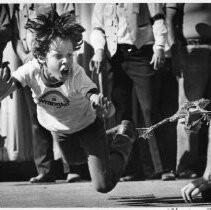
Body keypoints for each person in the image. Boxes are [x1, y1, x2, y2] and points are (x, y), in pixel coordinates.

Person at [0, 10, 135, 193]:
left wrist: (100, 104)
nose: (66, 61)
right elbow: (9, 88)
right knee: (75, 160)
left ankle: (124, 138)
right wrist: (2, 91)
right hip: (61, 131)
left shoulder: (76, 74)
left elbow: (93, 94)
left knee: (103, 185)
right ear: (41, 58)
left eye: (70, 55)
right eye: (58, 56)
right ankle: (110, 136)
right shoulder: (30, 70)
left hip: (88, 127)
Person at [90, 3, 167, 180]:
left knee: (149, 109)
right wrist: (99, 50)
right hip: (115, 56)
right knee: (121, 113)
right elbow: (97, 27)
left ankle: (161, 167)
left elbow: (158, 19)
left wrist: (160, 46)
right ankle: (130, 168)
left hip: (142, 53)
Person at [11, 3, 83, 183]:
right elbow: (15, 36)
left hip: (53, 65)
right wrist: (24, 56)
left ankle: (73, 168)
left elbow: (68, 26)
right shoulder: (18, 6)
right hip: (30, 65)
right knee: (37, 119)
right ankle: (45, 170)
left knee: (64, 114)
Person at [166, 3, 211, 179]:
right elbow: (169, 17)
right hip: (192, 49)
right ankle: (185, 166)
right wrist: (173, 49)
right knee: (191, 110)